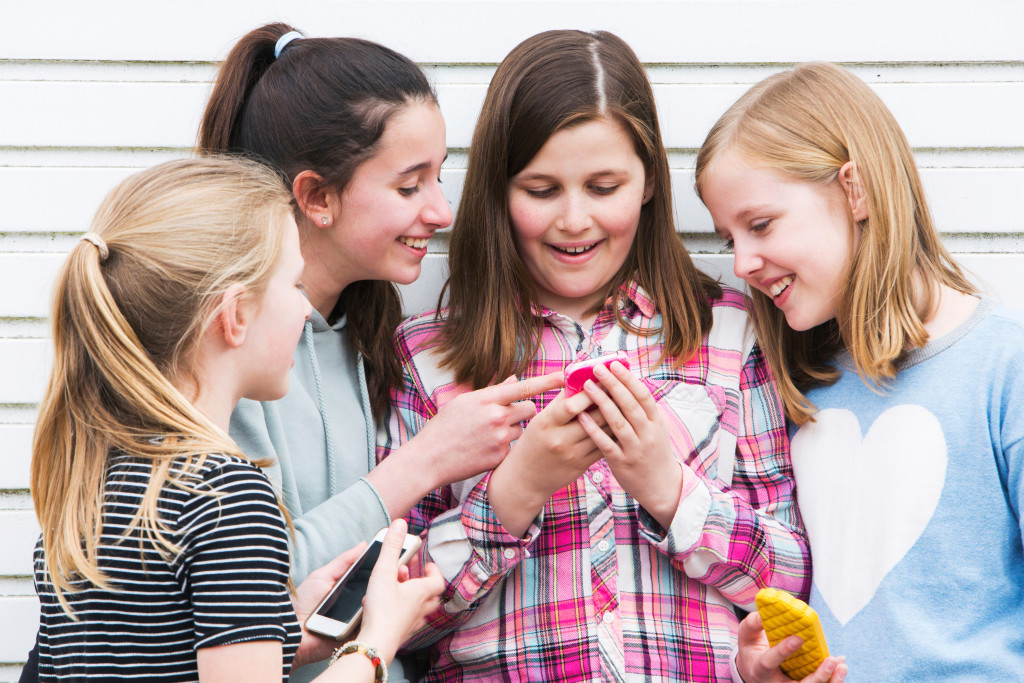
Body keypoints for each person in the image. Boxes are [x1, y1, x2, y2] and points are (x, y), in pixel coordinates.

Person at [383, 30, 810, 681]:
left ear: (646, 182)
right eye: (542, 189)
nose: (575, 219)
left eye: (604, 185)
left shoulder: (727, 330)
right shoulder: (428, 355)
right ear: (500, 190)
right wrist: (514, 491)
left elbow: (790, 579)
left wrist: (668, 490)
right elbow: (393, 616)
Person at [197, 25, 560, 681]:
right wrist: (428, 458)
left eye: (438, 177)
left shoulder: (363, 335)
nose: (442, 210)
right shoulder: (227, 348)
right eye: (409, 185)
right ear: (316, 197)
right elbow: (252, 585)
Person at [29, 156, 444, 682]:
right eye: (293, 286)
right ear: (235, 316)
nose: (303, 310)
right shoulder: (226, 496)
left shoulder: (88, 481)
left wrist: (286, 629)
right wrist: (377, 641)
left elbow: (162, 658)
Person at [695, 62, 1024, 681]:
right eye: (728, 238)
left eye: (760, 224)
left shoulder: (1006, 369)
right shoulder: (791, 385)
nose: (741, 263)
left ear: (857, 190)